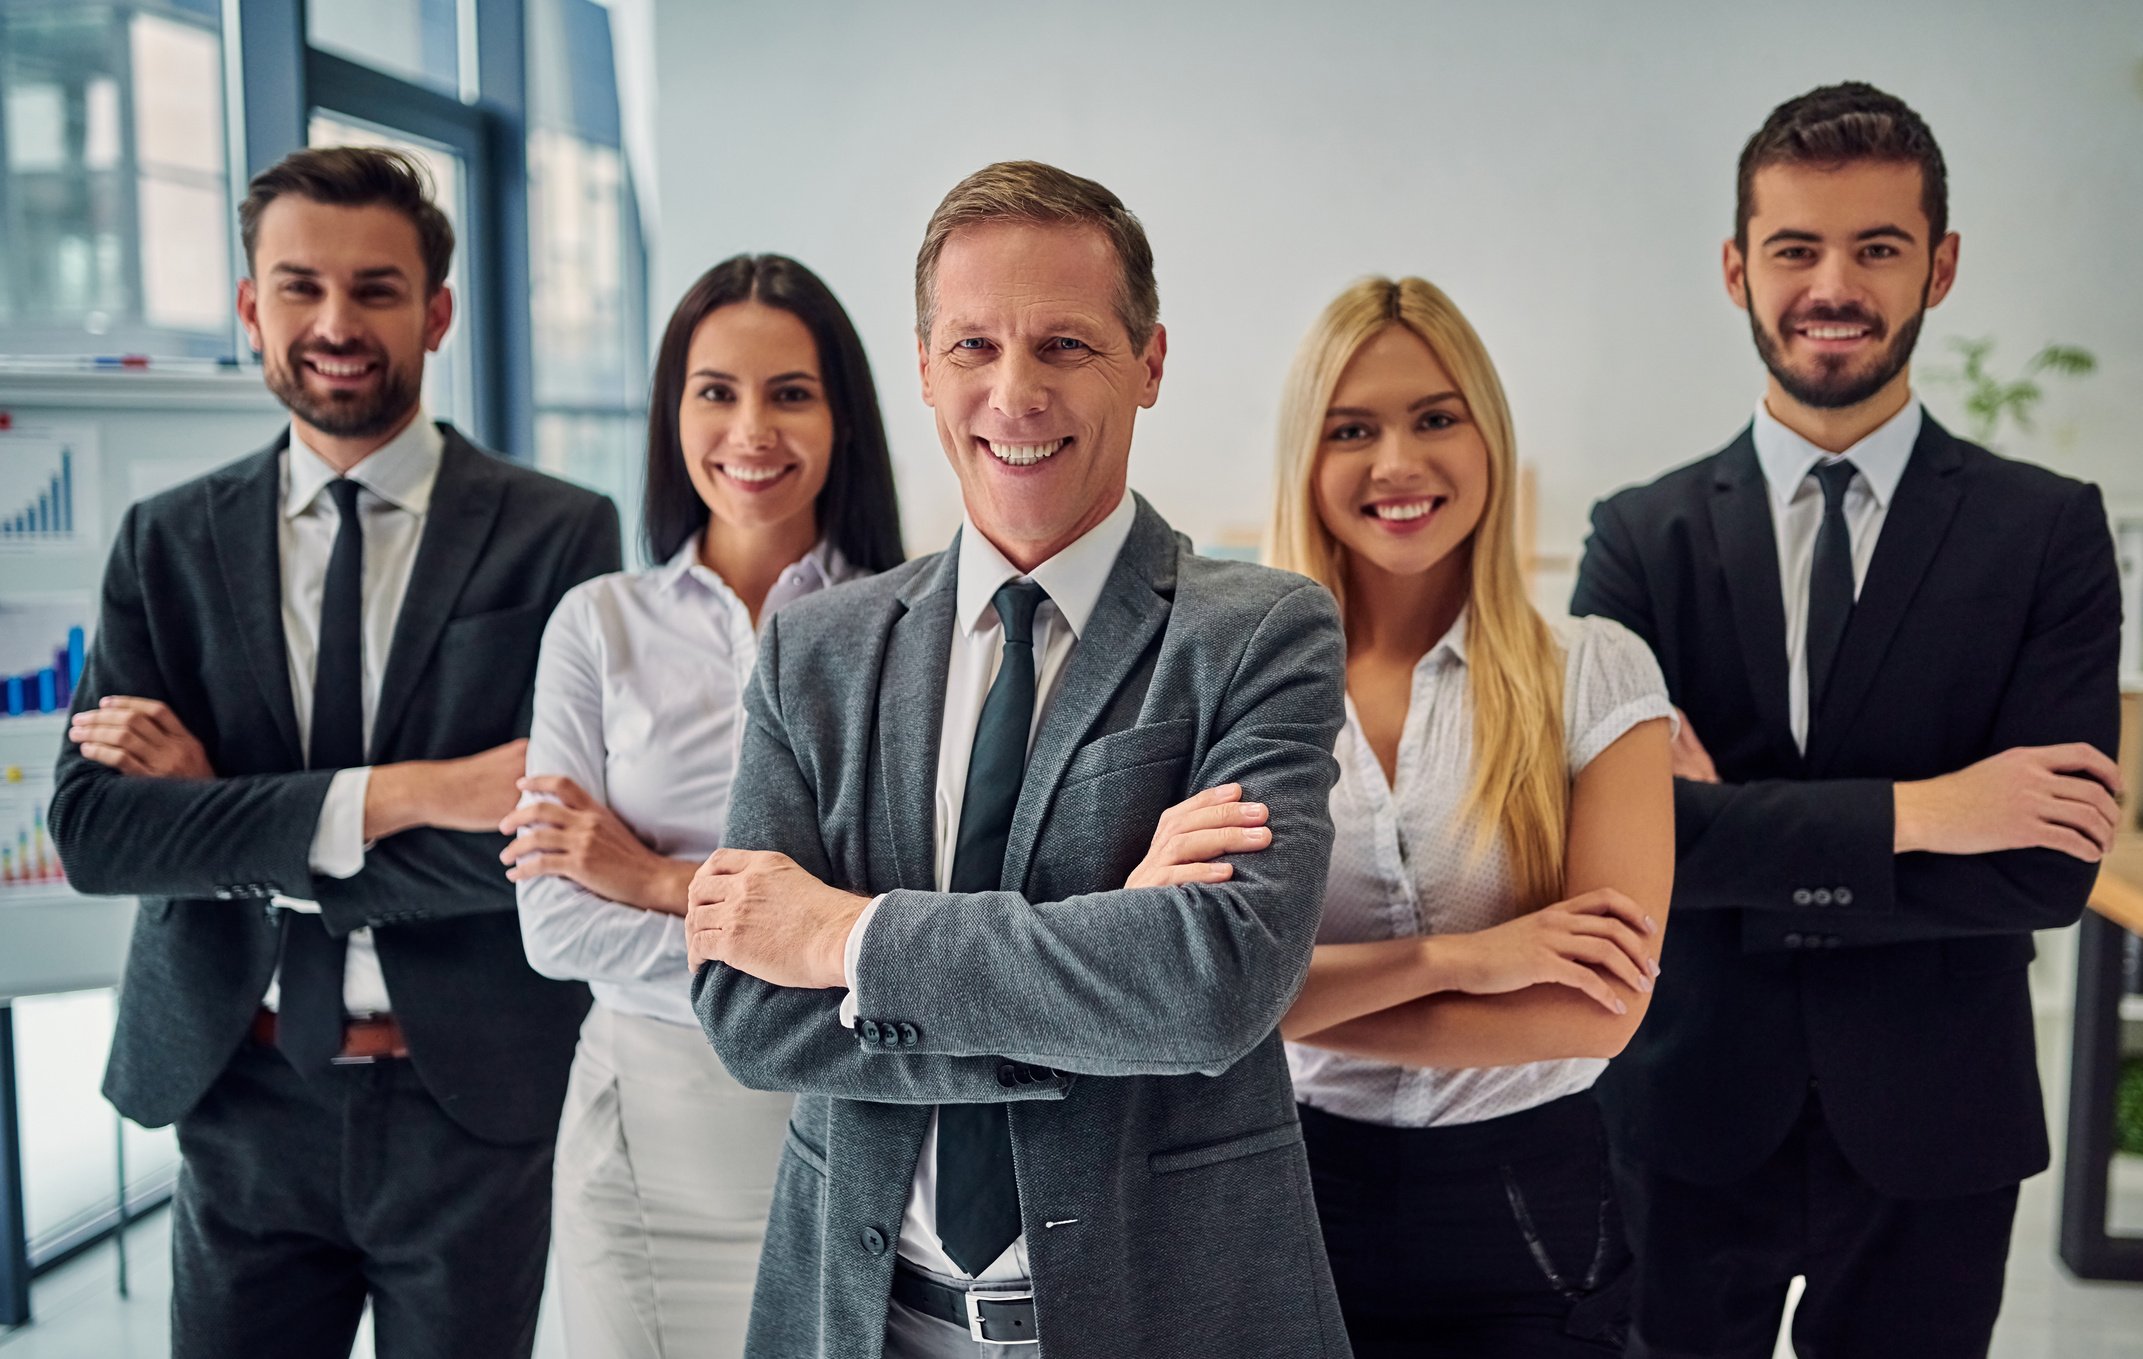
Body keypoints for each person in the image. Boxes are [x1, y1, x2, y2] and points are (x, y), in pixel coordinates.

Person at [684, 160, 1352, 1358]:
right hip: (863, 1320)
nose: (1015, 392)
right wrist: (1100, 961)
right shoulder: (816, 650)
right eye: (973, 347)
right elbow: (744, 1009)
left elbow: (1209, 991)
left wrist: (845, 938)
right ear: (923, 367)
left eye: (1064, 347)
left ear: (1148, 364)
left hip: (1165, 1319)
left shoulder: (1258, 632)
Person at [1571, 82, 2123, 1358]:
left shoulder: (2046, 533)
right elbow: (1622, 849)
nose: (1834, 285)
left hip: (1939, 1127)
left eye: (1876, 248)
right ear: (1734, 269)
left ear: (1939, 264)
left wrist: (1724, 836)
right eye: (1794, 249)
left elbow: (2044, 865)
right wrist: (1929, 813)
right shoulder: (1636, 540)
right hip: (1683, 1111)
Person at [48, 147, 621, 1359]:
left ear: (437, 311)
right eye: (300, 287)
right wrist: (423, 794)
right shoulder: (165, 543)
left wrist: (224, 819)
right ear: (252, 307)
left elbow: (540, 850)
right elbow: (100, 838)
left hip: (467, 1101)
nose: (336, 323)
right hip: (240, 1092)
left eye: (375, 289)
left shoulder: (559, 535)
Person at [1265, 276, 1673, 1355]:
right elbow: (1206, 987)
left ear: (1487, 436)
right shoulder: (1239, 690)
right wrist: (1470, 961)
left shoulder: (1596, 671)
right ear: (1305, 460)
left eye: (1435, 418)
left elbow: (1597, 1012)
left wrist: (1287, 1000)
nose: (1397, 463)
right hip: (1288, 1191)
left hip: (1530, 1206)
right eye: (1352, 428)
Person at [506, 253, 904, 1358]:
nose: (751, 432)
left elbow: (920, 908)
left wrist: (647, 878)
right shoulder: (599, 624)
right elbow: (553, 925)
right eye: (716, 392)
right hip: (642, 1129)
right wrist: (811, 928)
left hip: (845, 1113)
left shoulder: (907, 621)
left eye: (790, 394)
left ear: (842, 420)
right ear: (673, 412)